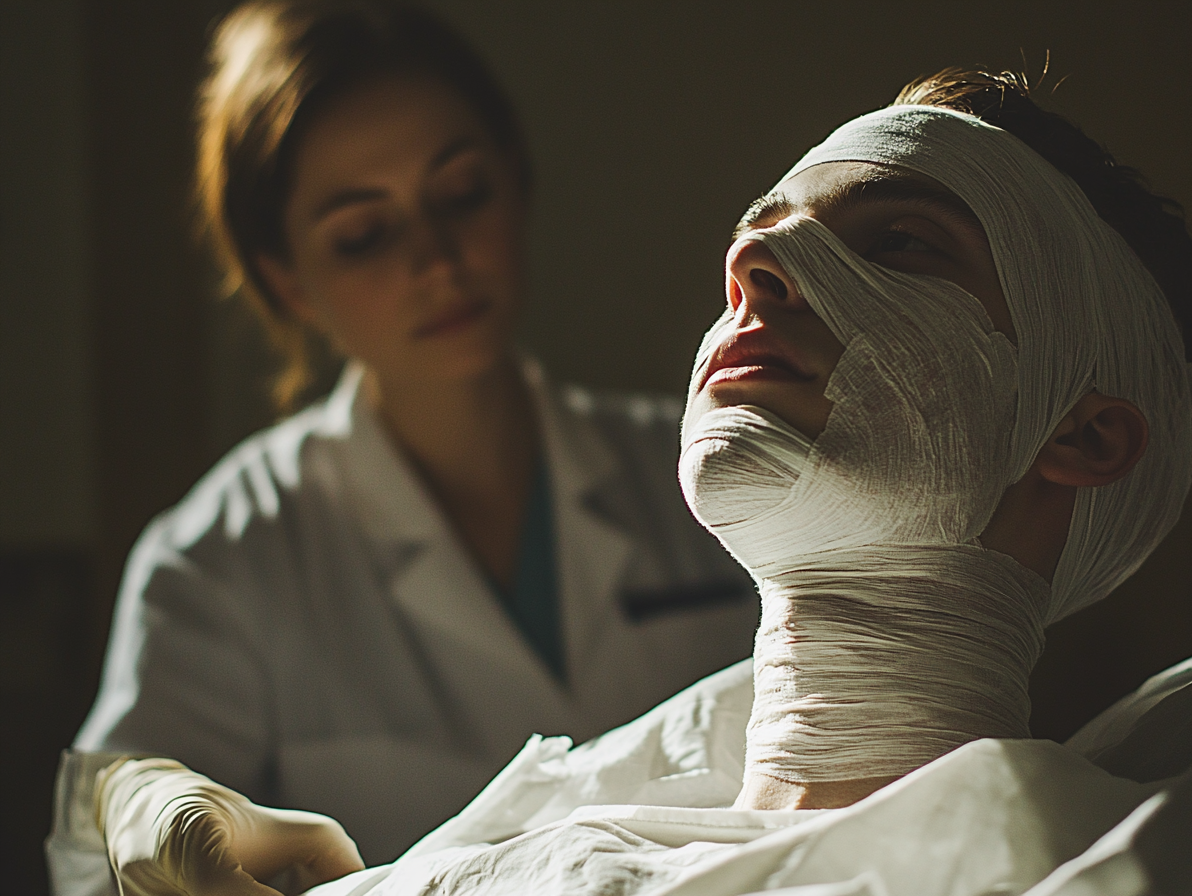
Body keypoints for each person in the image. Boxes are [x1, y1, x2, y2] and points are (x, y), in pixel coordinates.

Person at [76, 68, 1192, 896]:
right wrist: (139, 798)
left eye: (899, 242)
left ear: (1087, 435)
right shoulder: (531, 839)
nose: (754, 263)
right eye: (767, 228)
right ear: (287, 280)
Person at [45, 1, 758, 890]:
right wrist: (135, 812)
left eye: (461, 194)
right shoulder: (216, 566)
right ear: (287, 280)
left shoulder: (709, 469)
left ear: (517, 180)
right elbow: (90, 861)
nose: (437, 257)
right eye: (364, 234)